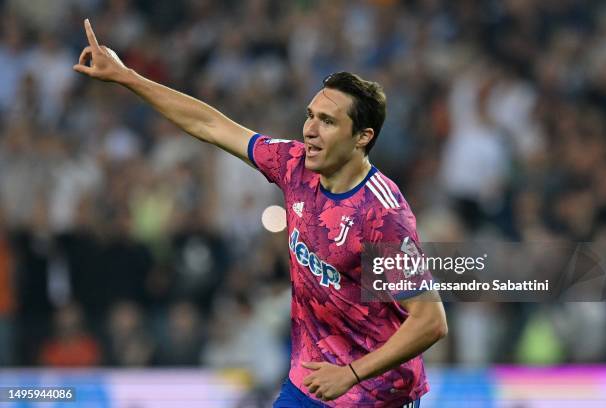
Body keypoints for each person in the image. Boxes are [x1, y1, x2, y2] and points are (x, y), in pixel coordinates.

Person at [74, 19, 447, 407]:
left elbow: (430, 321)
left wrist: (351, 374)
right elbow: (210, 124)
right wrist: (127, 76)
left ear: (362, 137)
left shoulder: (380, 214)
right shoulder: (294, 166)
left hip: (377, 394)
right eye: (311, 115)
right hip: (311, 382)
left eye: (328, 122)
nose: (310, 130)